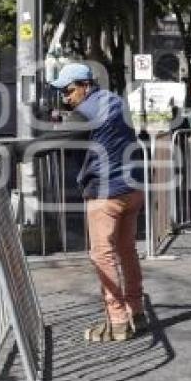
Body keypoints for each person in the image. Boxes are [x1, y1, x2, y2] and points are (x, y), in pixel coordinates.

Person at [38, 63, 148, 342]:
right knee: (126, 251)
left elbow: (50, 142)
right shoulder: (115, 101)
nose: (66, 96)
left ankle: (118, 320)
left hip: (106, 192)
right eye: (62, 91)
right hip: (133, 187)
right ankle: (137, 312)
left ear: (86, 85)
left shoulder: (84, 112)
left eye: (69, 90)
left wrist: (12, 150)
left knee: (102, 255)